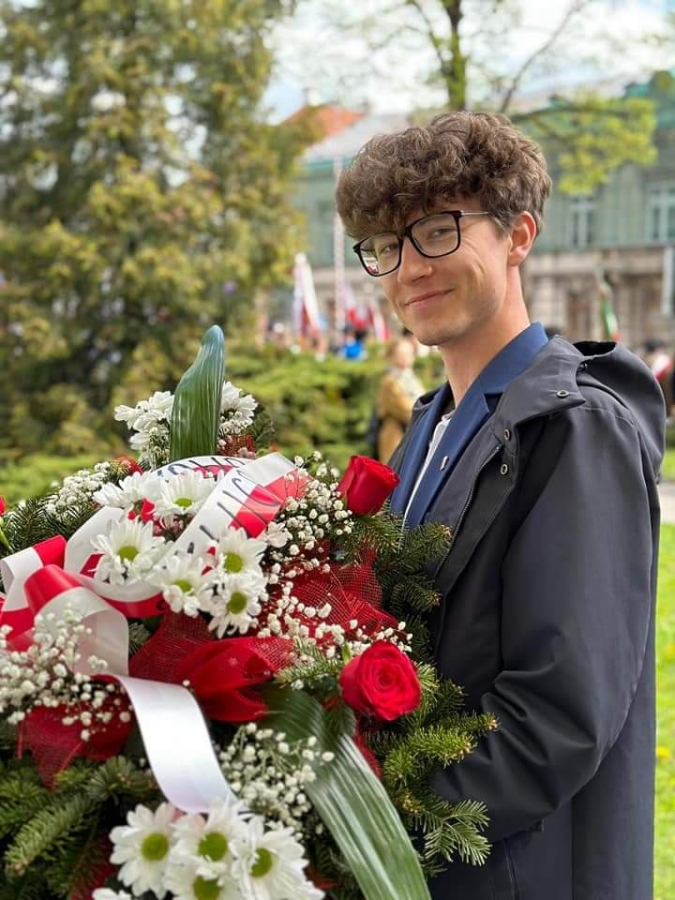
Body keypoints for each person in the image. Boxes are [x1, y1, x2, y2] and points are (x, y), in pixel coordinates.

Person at [335, 111, 665, 900]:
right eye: (385, 245)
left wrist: (367, 836)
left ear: (517, 235)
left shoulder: (573, 427)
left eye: (436, 231)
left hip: (520, 872)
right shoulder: (429, 425)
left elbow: (557, 716)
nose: (408, 268)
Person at [374, 337, 426, 462]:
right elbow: (407, 410)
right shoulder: (390, 381)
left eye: (409, 353)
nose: (406, 357)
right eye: (401, 354)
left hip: (410, 434)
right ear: (392, 356)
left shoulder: (411, 378)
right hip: (395, 437)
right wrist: (429, 415)